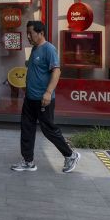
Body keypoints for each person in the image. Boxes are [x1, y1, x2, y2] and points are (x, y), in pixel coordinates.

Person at [11, 21, 80, 174]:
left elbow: (56, 71)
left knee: (49, 130)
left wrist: (48, 92)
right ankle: (28, 161)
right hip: (30, 98)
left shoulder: (49, 49)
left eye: (31, 33)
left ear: (41, 33)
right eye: (27, 33)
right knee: (27, 128)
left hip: (43, 99)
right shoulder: (35, 48)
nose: (28, 36)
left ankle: (70, 155)